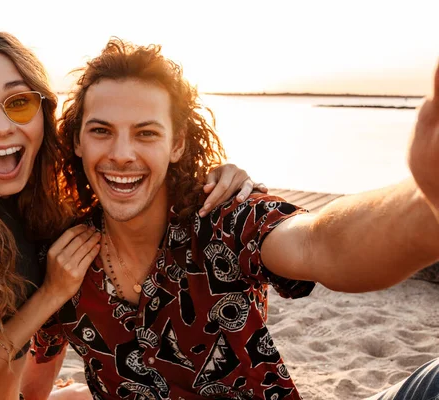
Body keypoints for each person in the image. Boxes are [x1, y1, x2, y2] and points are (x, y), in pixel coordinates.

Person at [24, 38, 439, 400]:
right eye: (101, 130)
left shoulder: (222, 219)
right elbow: (29, 388)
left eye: (146, 133)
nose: (122, 153)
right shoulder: (66, 263)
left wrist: (427, 196)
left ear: (177, 144)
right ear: (76, 140)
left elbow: (319, 242)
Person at [0, 32, 259, 399]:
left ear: (42, 110)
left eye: (18, 102)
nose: (1, 127)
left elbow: (125, 170)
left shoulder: (45, 197)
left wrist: (217, 178)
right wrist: (50, 294)